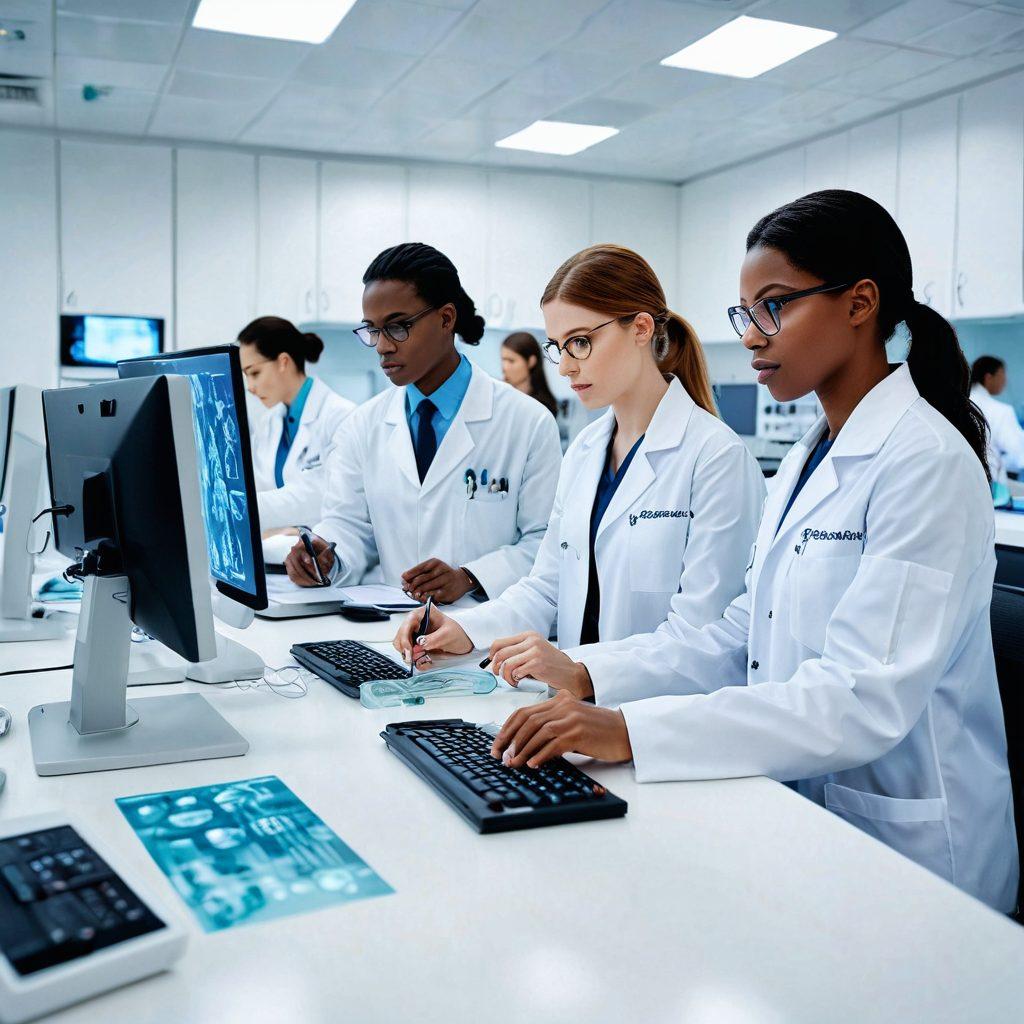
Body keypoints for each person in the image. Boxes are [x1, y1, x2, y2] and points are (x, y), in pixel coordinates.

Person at [486, 191, 1018, 913]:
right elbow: (741, 637)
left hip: (915, 854)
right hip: (804, 820)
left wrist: (630, 730)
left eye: (774, 306)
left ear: (860, 303)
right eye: (744, 313)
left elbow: (859, 698)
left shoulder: (924, 461)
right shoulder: (806, 460)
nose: (752, 335)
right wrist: (590, 675)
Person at [393, 244, 765, 686]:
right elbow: (547, 585)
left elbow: (706, 638)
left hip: (655, 722)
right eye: (558, 346)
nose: (566, 367)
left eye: (581, 342)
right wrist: (466, 630)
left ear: (641, 328)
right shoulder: (586, 450)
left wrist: (585, 672)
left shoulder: (715, 457)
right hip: (574, 713)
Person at [285, 242, 562, 604]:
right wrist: (325, 556)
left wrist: (470, 577)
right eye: (373, 330)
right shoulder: (362, 426)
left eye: (398, 327)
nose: (383, 346)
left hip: (490, 637)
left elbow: (545, 541)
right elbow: (348, 526)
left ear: (446, 319)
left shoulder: (527, 422)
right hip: (391, 631)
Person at [239, 317, 355, 533]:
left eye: (254, 373)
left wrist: (244, 509)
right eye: (246, 376)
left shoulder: (340, 417)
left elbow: (327, 499)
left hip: (324, 556)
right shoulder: (268, 424)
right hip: (277, 551)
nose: (250, 387)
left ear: (284, 361)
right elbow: (259, 489)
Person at [969, 355, 1024, 484]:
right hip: (991, 486)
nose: (1005, 381)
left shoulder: (958, 404)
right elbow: (1019, 455)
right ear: (988, 377)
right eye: (1002, 374)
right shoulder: (1001, 411)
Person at [501, 332, 558, 416]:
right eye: (503, 360)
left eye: (511, 361)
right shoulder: (502, 396)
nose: (504, 367)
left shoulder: (541, 408)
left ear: (531, 361)